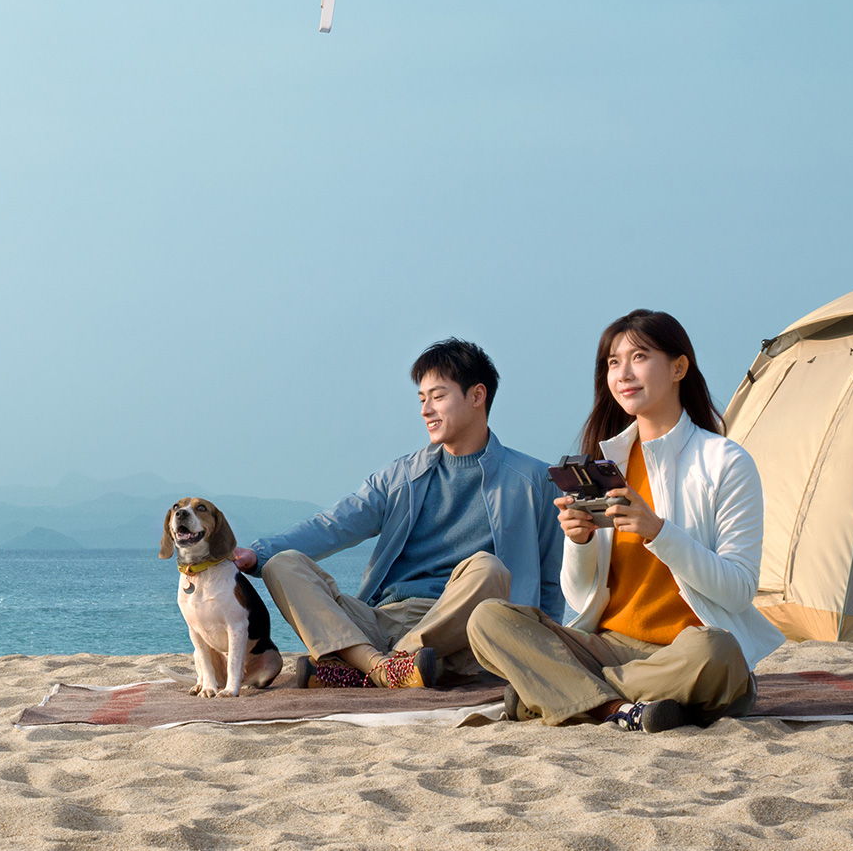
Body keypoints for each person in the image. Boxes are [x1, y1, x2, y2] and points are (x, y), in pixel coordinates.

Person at [464, 310, 787, 732]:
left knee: (718, 652)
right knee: (487, 618)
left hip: (688, 649)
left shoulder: (725, 462)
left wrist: (658, 532)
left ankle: (564, 693)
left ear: (679, 368)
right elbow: (579, 596)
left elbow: (739, 589)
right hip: (609, 645)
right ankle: (615, 707)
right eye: (613, 362)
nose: (623, 374)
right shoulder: (606, 465)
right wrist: (579, 543)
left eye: (639, 357)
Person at [229, 338, 564, 689]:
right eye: (422, 400)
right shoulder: (402, 476)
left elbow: (549, 582)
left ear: (477, 396)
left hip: (460, 631)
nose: (426, 410)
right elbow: (333, 525)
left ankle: (362, 666)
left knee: (488, 568)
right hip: (378, 621)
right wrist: (259, 554)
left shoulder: (533, 480)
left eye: (438, 396)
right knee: (283, 564)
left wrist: (547, 654)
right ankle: (386, 667)